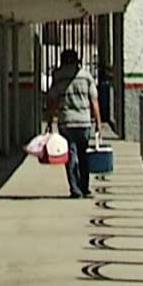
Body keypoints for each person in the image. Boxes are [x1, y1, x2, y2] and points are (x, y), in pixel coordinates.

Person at [44, 48, 102, 198]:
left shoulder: (58, 76)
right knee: (83, 156)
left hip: (66, 122)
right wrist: (98, 123)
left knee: (70, 155)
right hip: (84, 122)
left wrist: (49, 120)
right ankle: (85, 187)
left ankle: (74, 188)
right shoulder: (86, 76)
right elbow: (94, 101)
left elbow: (53, 100)